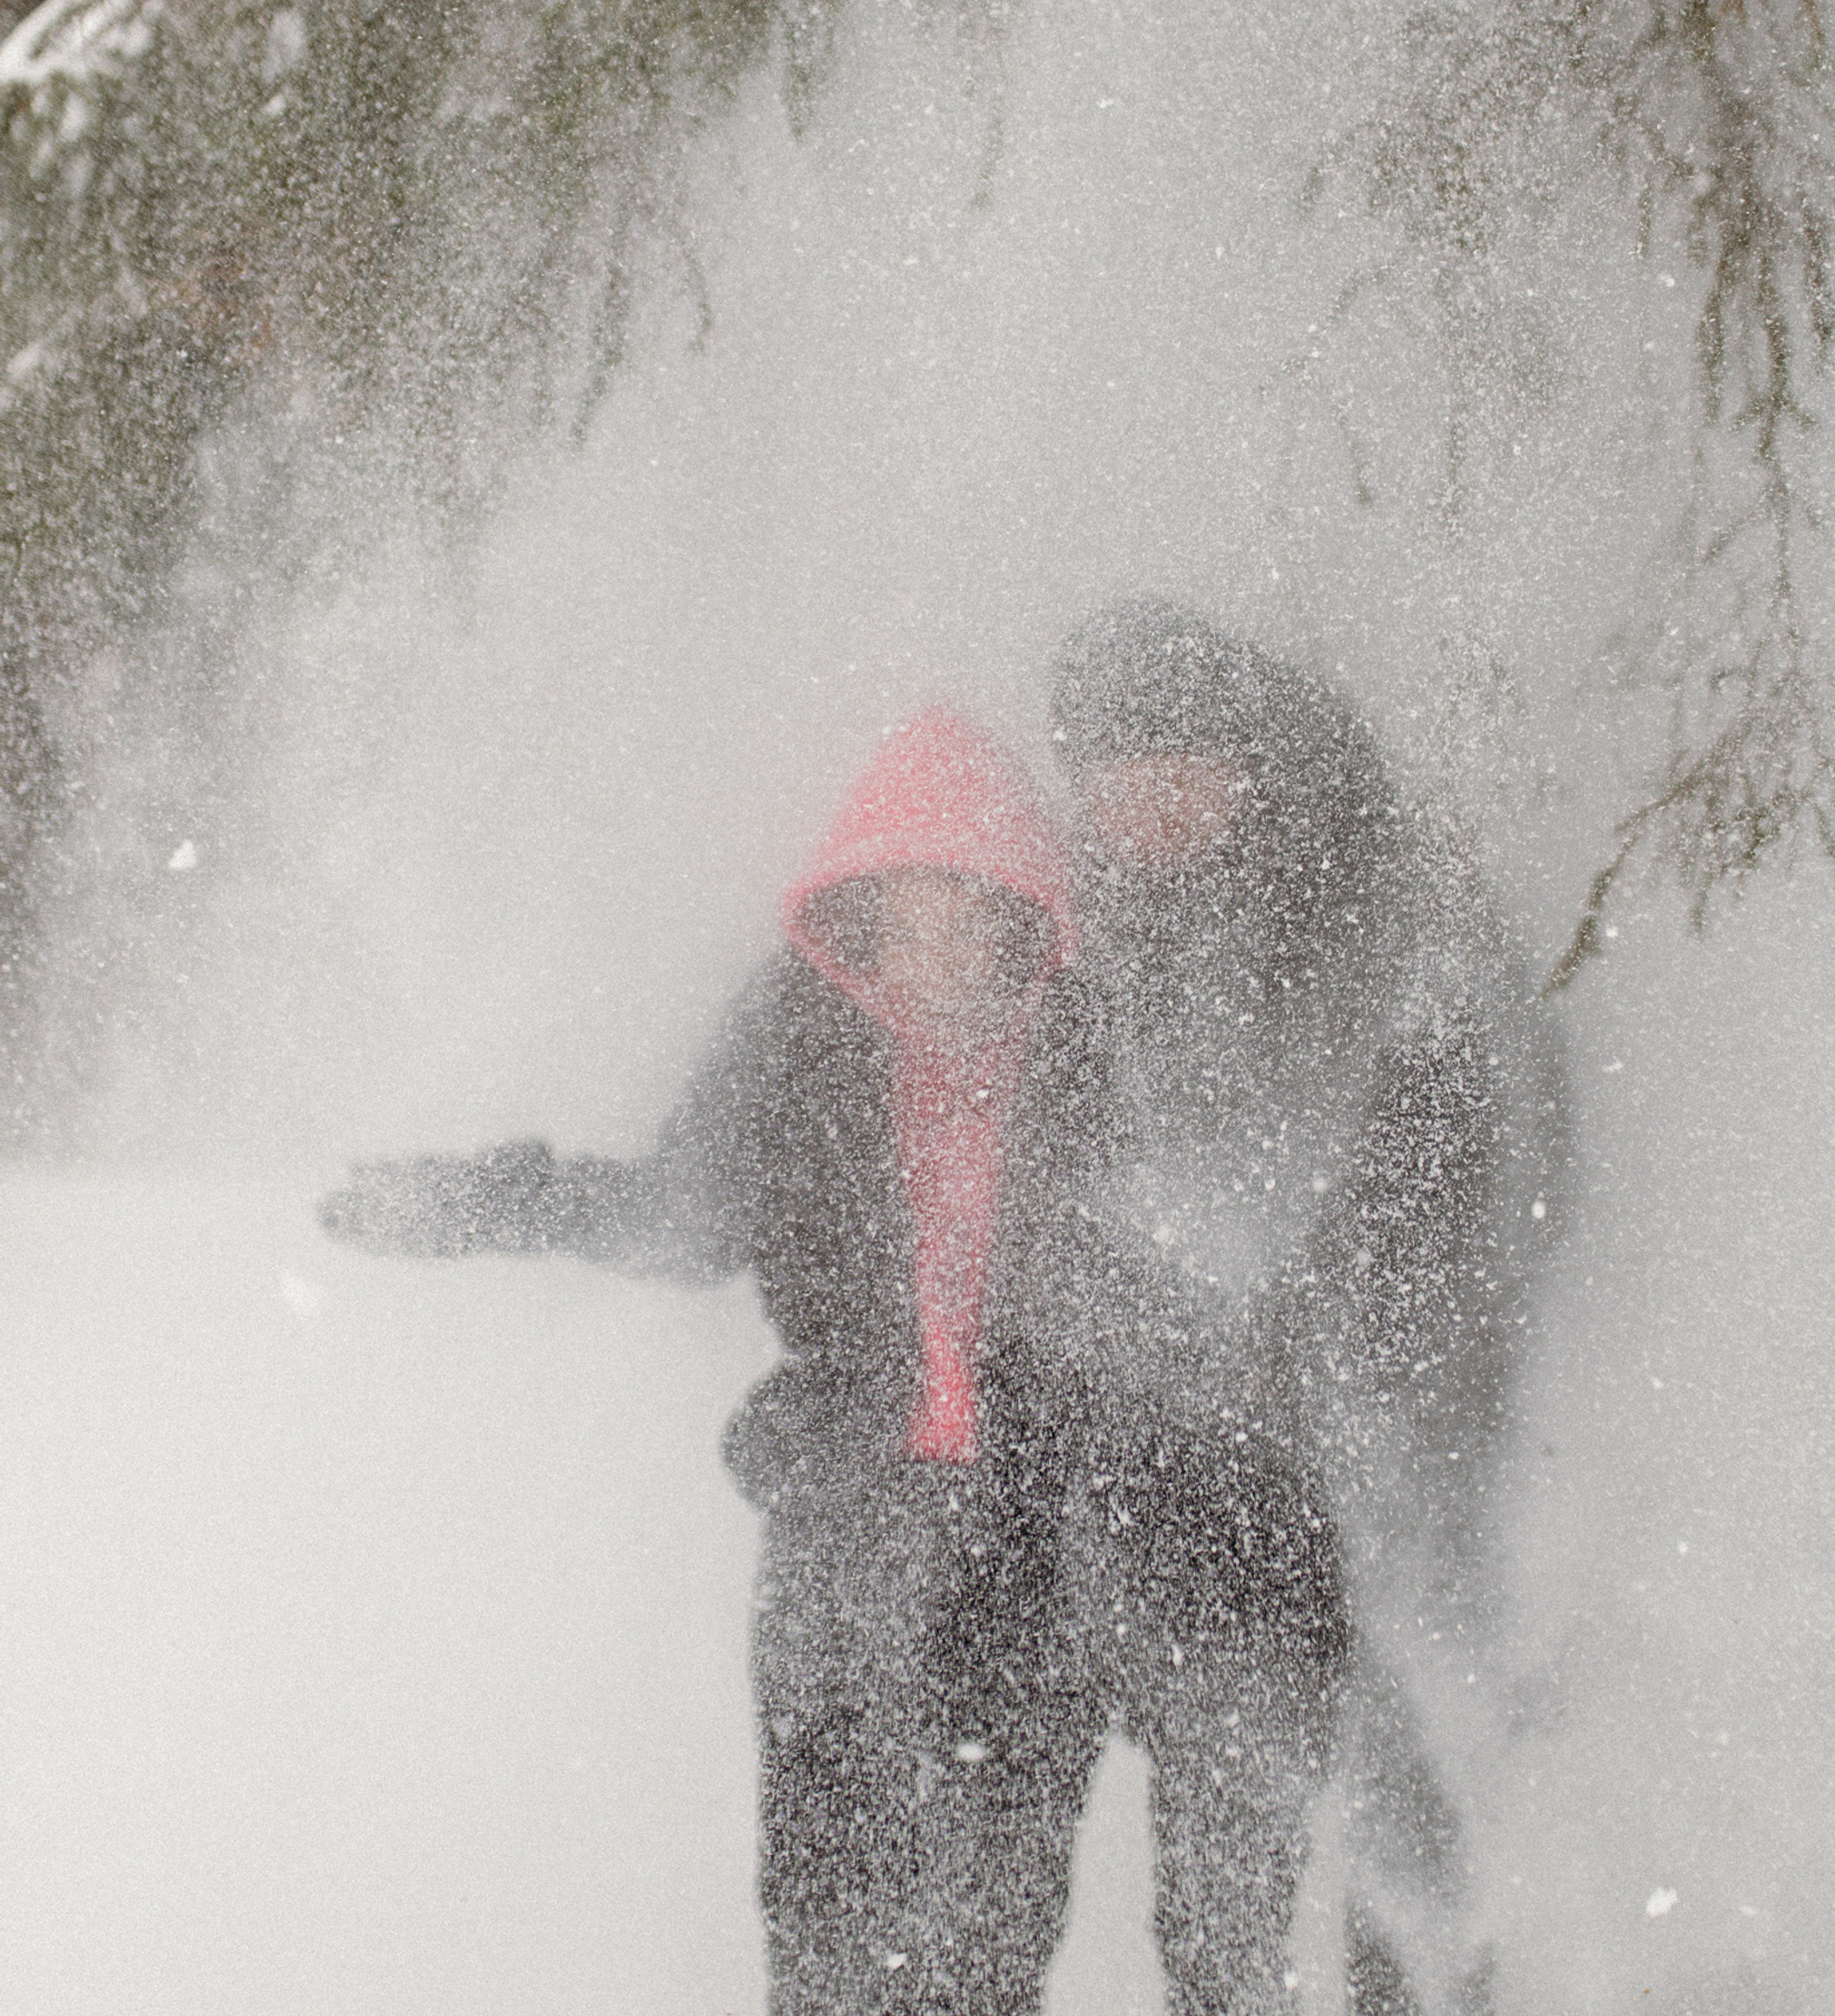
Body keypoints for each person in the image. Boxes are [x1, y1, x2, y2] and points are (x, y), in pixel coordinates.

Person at [320, 701, 1349, 2015]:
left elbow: (1192, 1253)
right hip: (846, 1518)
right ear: (854, 908)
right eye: (903, 909)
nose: (935, 944)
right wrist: (483, 1200)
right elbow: (679, 1218)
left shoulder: (1093, 1042)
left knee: (989, 1926)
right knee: (828, 1911)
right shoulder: (792, 1037)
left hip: (1037, 1538)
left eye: (967, 906)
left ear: (1020, 906)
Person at [1047, 599, 1571, 2015]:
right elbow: (1072, 1193)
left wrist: (1348, 1350)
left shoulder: (1381, 918)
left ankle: (1441, 1985)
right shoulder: (1096, 946)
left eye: (1177, 762)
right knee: (1260, 1764)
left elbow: (1478, 1149)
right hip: (1225, 1445)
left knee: (1409, 1741)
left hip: (1406, 1419)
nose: (1145, 799)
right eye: (1112, 771)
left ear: (1245, 764)